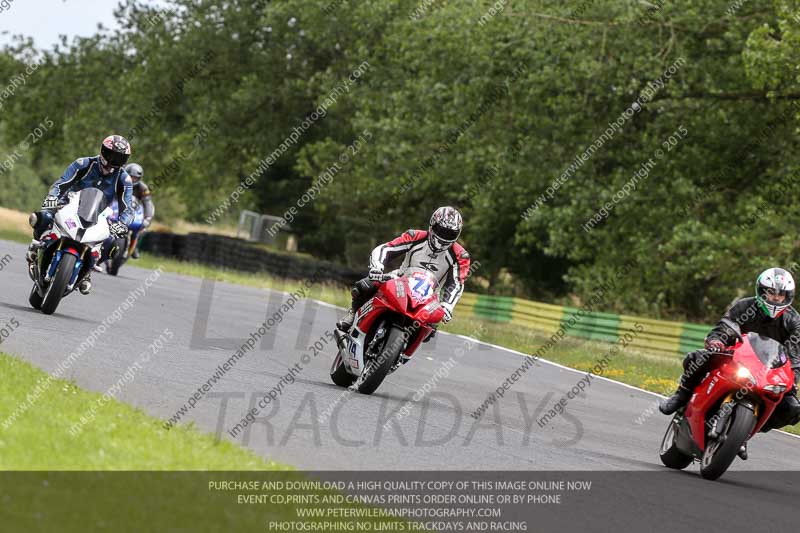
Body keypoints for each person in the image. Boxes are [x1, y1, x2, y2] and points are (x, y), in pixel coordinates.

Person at [659, 267, 800, 459]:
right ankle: (680, 396)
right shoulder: (744, 306)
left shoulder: (793, 320)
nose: (775, 298)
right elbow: (726, 326)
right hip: (736, 357)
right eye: (771, 292)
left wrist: (794, 375)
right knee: (696, 358)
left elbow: (796, 352)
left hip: (769, 372)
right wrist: (717, 341)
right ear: (761, 291)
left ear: (788, 296)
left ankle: (746, 430)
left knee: (793, 407)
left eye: (781, 294)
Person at [26, 135, 134, 294]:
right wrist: (52, 199)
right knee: (43, 217)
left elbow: (128, 208)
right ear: (103, 151)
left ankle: (88, 271)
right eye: (111, 155)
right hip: (69, 205)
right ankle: (36, 245)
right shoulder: (83, 164)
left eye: (119, 158)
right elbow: (61, 183)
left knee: (113, 245)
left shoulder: (124, 178)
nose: (113, 161)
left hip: (98, 215)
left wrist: (123, 224)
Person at [336, 206, 471, 333]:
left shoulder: (461, 255)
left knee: (431, 329)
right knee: (365, 285)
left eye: (449, 234)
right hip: (400, 279)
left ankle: (402, 354)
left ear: (457, 234)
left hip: (431, 296)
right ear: (432, 225)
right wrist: (377, 267)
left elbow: (457, 282)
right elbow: (386, 249)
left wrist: (447, 305)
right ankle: (353, 314)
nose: (444, 237)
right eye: (441, 230)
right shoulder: (415, 236)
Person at [123, 163, 155, 259]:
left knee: (142, 227)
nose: (133, 179)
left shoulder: (143, 188)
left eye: (135, 178)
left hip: (133, 210)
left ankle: (135, 246)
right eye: (131, 177)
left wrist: (147, 218)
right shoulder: (119, 181)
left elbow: (148, 203)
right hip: (117, 208)